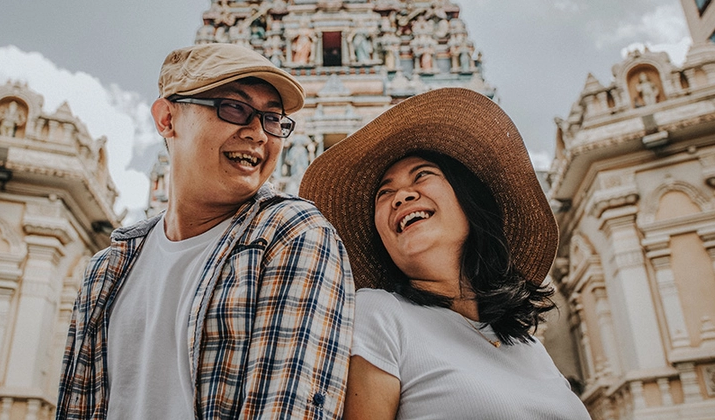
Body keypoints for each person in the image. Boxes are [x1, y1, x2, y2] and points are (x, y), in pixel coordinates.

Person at [56, 42, 354, 419]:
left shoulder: (291, 236)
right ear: (167, 118)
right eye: (234, 108)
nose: (259, 134)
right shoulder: (107, 270)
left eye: (273, 119)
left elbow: (288, 408)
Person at [299, 88, 590, 420]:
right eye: (385, 192)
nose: (401, 196)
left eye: (422, 175)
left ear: (470, 201)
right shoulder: (379, 313)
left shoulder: (529, 347)